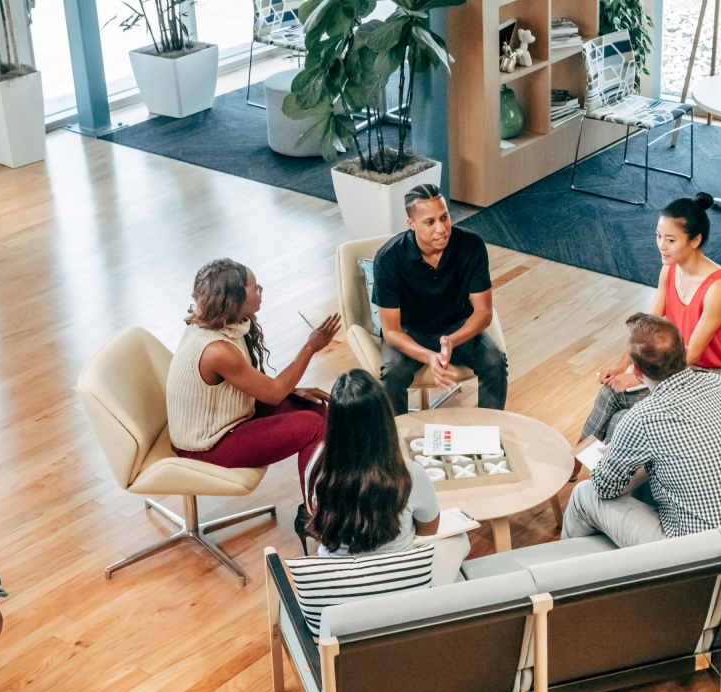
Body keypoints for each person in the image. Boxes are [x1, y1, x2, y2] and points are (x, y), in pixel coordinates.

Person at [166, 258, 341, 550]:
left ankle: (325, 508)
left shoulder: (223, 325)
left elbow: (252, 384)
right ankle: (320, 518)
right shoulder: (216, 349)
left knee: (316, 409)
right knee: (311, 426)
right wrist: (311, 346)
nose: (259, 288)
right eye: (252, 286)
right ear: (232, 298)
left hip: (227, 416)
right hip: (204, 445)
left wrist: (292, 389)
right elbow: (272, 394)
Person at [561, 313, 721, 548]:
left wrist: (613, 456)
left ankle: (566, 574)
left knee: (584, 495)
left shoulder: (643, 418)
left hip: (700, 556)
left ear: (636, 372)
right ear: (684, 351)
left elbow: (604, 488)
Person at [574, 192, 721, 473]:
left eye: (671, 240)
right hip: (673, 366)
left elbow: (692, 354)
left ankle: (608, 478)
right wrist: (622, 365)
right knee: (609, 393)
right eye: (658, 236)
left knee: (621, 419)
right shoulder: (670, 270)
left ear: (695, 240)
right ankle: (575, 461)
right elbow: (647, 328)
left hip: (709, 377)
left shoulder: (719, 288)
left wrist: (639, 375)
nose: (661, 246)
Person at [306, 369, 469, 585]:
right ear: (385, 421)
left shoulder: (318, 465)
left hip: (339, 583)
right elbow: (428, 530)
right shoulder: (410, 474)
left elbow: (315, 511)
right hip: (398, 586)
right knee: (459, 539)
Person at [373, 184, 508, 415]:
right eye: (430, 222)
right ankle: (395, 441)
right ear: (412, 224)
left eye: (444, 217)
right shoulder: (388, 258)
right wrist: (429, 356)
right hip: (410, 331)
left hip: (457, 326)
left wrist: (452, 341)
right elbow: (391, 331)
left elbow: (484, 312)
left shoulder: (471, 245)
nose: (442, 229)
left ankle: (489, 434)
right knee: (392, 374)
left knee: (495, 362)